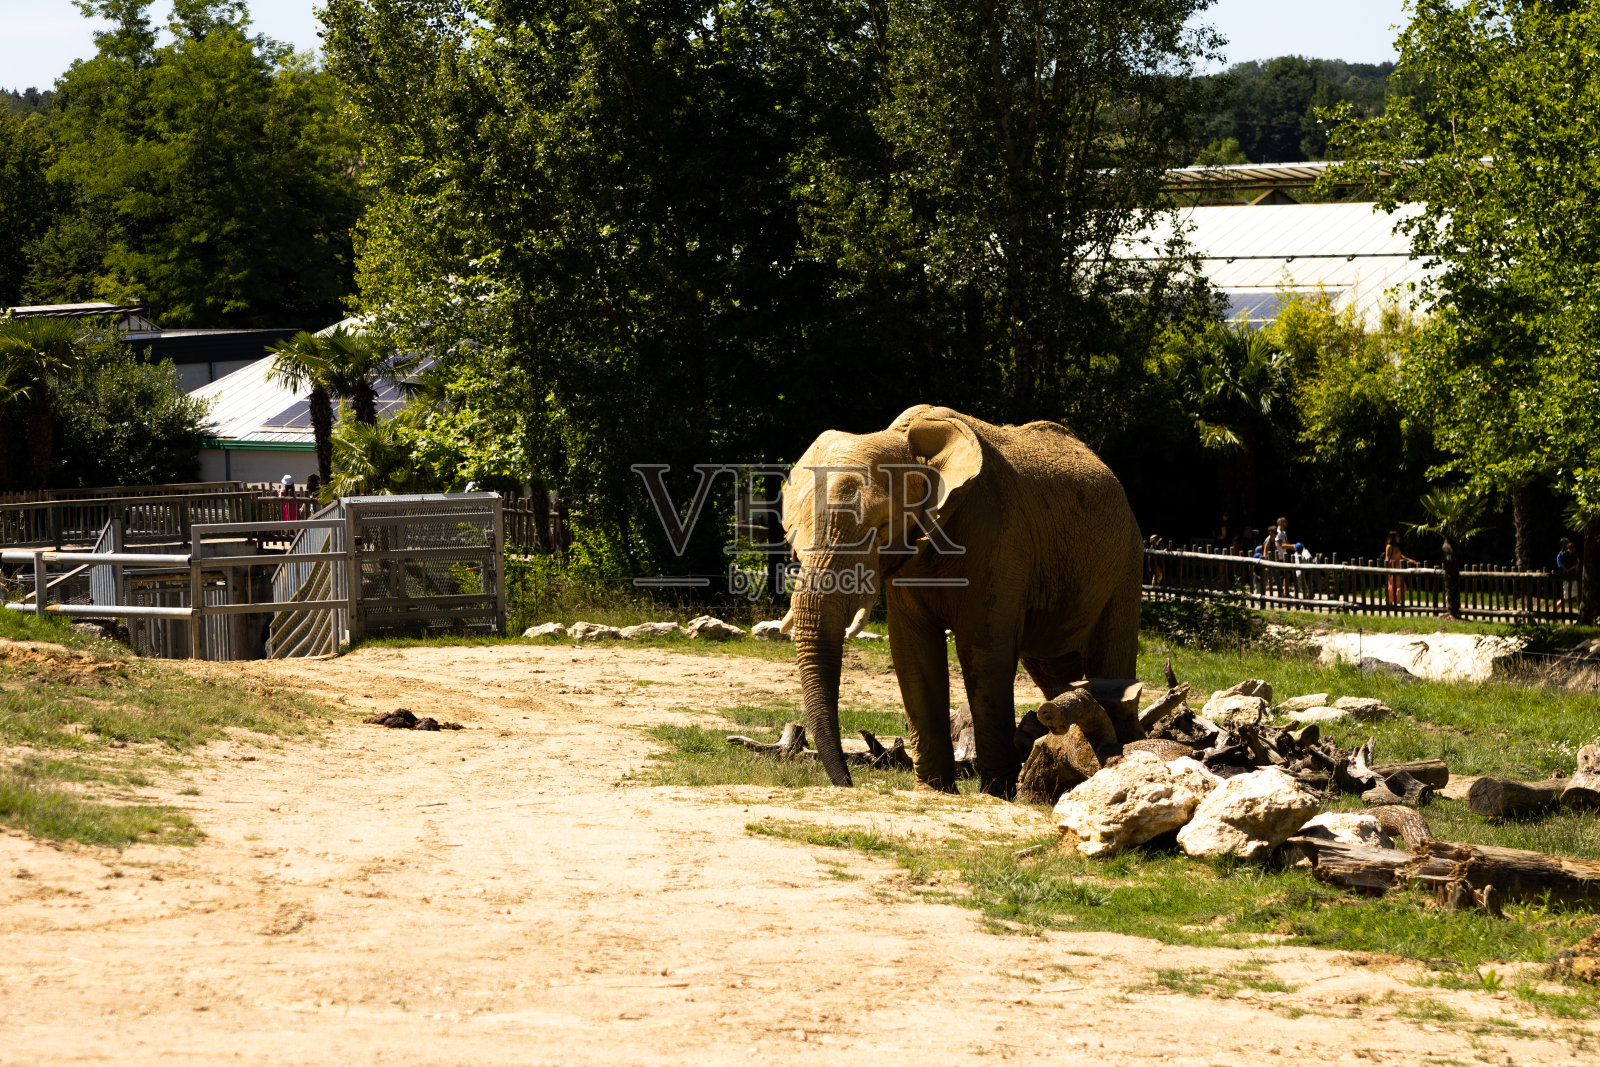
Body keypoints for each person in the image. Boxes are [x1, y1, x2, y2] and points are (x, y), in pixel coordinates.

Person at [1384, 530, 1417, 604]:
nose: (1399, 538)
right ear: (1393, 537)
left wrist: (1410, 560)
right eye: (1397, 536)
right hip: (1392, 569)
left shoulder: (1396, 547)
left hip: (1399, 568)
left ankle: (1394, 600)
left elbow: (1401, 556)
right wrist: (1388, 571)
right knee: (1396, 586)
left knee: (1401, 585)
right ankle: (1392, 601)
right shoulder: (1389, 546)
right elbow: (1387, 558)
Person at [1558, 537, 1581, 606]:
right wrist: (1575, 566)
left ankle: (1581, 613)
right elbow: (1565, 569)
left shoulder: (1570, 554)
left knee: (1577, 596)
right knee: (1566, 599)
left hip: (1573, 577)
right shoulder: (1560, 556)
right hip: (1567, 579)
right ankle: (1553, 611)